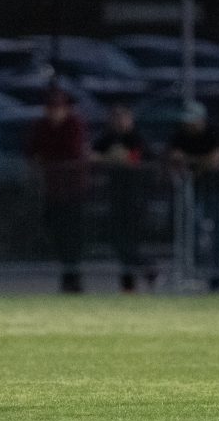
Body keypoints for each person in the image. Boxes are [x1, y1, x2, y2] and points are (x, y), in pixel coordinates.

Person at [26, 87, 88, 293]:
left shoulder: (73, 125)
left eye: (58, 108)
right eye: (51, 108)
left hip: (73, 191)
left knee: (73, 235)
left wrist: (47, 158)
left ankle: (73, 278)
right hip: (52, 190)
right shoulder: (42, 126)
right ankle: (67, 274)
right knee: (55, 232)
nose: (54, 112)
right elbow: (31, 151)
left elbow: (71, 151)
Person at [91, 104, 157, 292]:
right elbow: (92, 155)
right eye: (116, 118)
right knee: (118, 241)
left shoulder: (137, 138)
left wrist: (114, 158)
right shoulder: (108, 138)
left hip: (136, 197)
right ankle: (138, 275)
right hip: (116, 196)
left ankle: (140, 273)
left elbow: (133, 159)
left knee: (130, 240)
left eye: (123, 117)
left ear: (130, 119)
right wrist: (113, 158)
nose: (119, 122)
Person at [167, 100, 219, 291]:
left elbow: (215, 161)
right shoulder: (180, 134)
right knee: (189, 228)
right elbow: (174, 157)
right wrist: (200, 163)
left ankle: (217, 276)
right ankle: (192, 272)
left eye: (192, 121)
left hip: (217, 190)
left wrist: (192, 162)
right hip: (192, 189)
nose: (189, 125)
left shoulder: (214, 134)